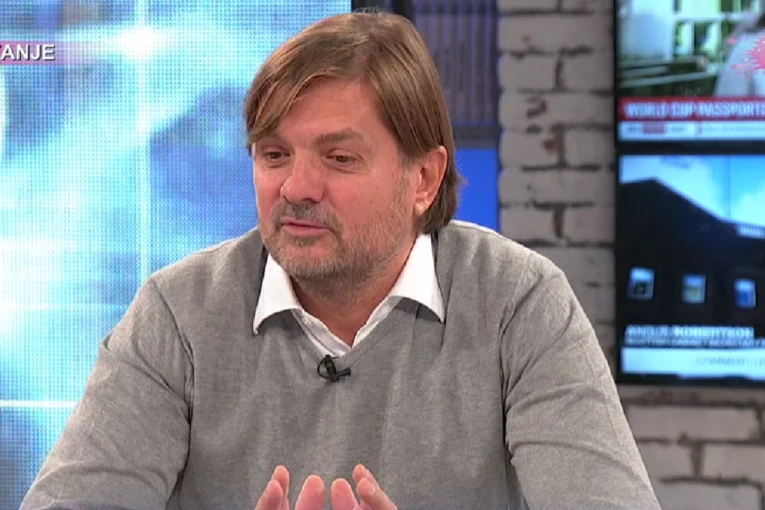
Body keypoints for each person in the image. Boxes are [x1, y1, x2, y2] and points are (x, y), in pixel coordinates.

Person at [21, 9, 662, 510]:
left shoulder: (518, 302)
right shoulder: (178, 313)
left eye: (339, 158)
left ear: (423, 179)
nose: (295, 187)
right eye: (274, 155)